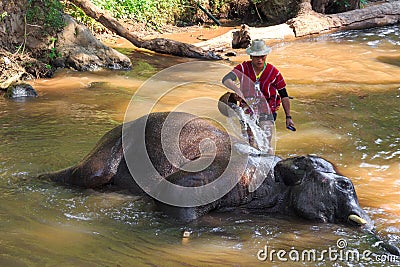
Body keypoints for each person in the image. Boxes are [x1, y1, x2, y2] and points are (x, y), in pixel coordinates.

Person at [222, 39, 295, 131]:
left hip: (267, 108)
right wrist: (237, 90)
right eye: (257, 57)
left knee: (265, 136)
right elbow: (226, 79)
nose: (260, 60)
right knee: (250, 138)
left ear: (266, 55)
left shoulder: (274, 72)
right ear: (251, 56)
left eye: (262, 56)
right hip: (247, 108)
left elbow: (284, 95)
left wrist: (288, 117)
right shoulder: (243, 68)